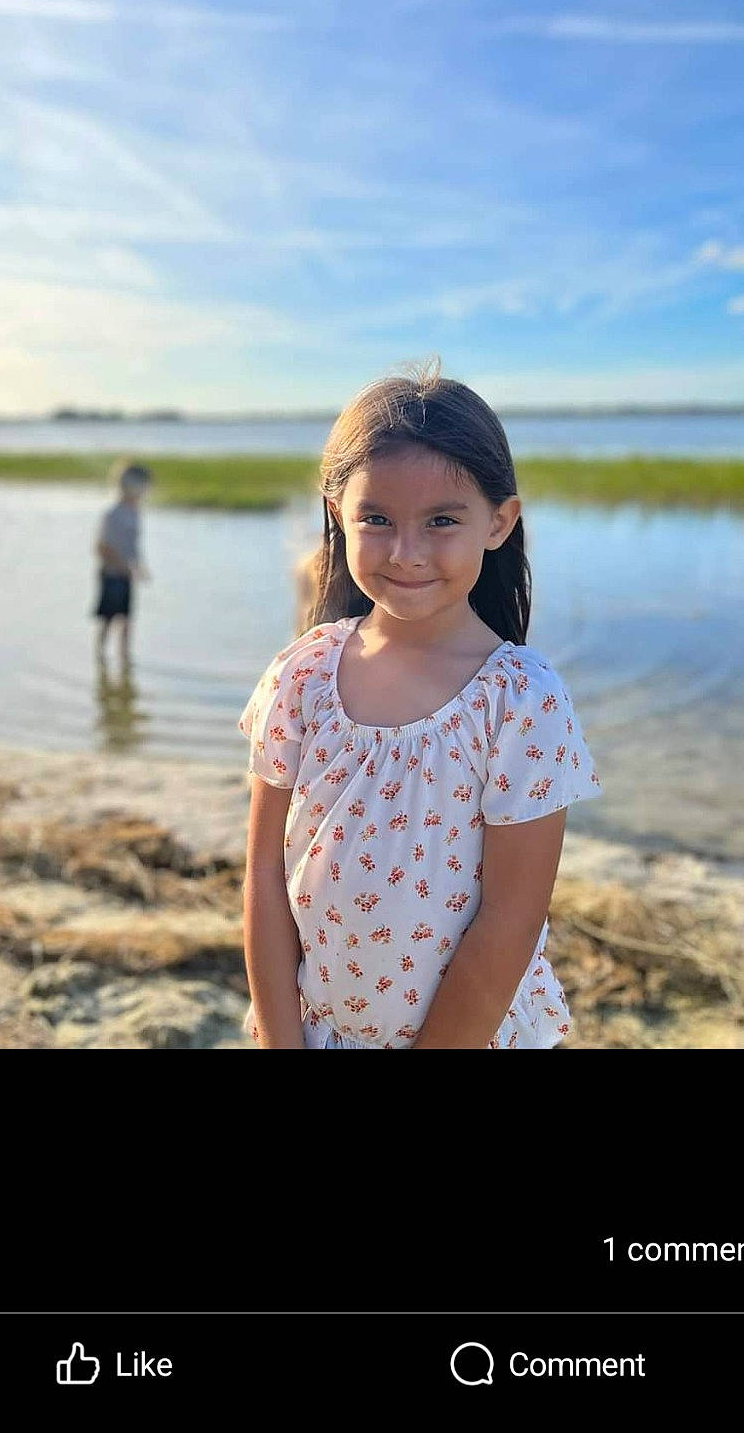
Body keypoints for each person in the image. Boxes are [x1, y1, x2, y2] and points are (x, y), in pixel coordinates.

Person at [238, 358, 602, 1050]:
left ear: (498, 523)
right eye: (375, 518)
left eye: (441, 520)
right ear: (335, 516)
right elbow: (262, 871)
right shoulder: (303, 674)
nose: (405, 553)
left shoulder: (519, 700)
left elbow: (509, 920)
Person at [92, 463, 153, 670]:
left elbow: (133, 545)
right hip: (111, 575)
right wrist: (122, 566)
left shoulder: (135, 513)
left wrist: (140, 566)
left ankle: (125, 660)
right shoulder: (112, 514)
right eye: (143, 486)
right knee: (108, 620)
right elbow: (101, 547)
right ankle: (100, 658)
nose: (146, 491)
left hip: (126, 575)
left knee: (127, 619)